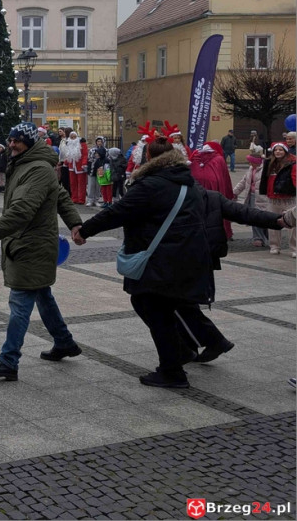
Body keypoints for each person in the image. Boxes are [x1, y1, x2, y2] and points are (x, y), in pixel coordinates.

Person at [75, 134, 288, 387]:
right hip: (191, 261)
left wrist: (83, 231)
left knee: (151, 306)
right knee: (165, 307)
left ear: (149, 158)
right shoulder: (192, 187)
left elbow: (116, 212)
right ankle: (182, 354)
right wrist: (277, 220)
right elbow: (238, 211)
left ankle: (173, 371)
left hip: (162, 262)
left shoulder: (149, 185)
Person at [0, 123, 83, 382]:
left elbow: (23, 209)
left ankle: (8, 360)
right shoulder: (25, 164)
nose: (12, 144)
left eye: (18, 140)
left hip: (30, 246)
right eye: (11, 139)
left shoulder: (36, 169)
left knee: (20, 303)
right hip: (28, 244)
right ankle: (64, 342)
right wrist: (75, 224)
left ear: (31, 143)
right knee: (43, 295)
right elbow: (60, 196)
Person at [260, 143, 296, 255]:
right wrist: (263, 191)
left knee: (293, 223)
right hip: (273, 198)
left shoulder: (292, 163)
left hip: (288, 197)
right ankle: (274, 246)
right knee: (273, 222)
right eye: (276, 150)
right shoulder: (269, 163)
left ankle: (294, 248)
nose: (278, 152)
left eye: (281, 150)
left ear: (285, 151)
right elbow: (264, 179)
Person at [233, 144, 269, 248]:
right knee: (254, 217)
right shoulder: (250, 169)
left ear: (256, 162)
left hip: (263, 197)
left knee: (263, 218)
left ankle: (265, 237)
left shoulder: (264, 170)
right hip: (252, 196)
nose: (249, 163)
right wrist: (235, 192)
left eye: (251, 161)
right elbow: (243, 182)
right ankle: (257, 238)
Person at [60, 131, 87, 205]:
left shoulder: (82, 144)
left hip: (80, 166)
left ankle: (81, 199)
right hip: (72, 166)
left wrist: (84, 164)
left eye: (74, 137)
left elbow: (85, 155)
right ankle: (74, 198)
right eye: (71, 137)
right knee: (72, 183)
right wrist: (65, 162)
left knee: (81, 184)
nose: (73, 138)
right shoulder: (69, 144)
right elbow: (68, 155)